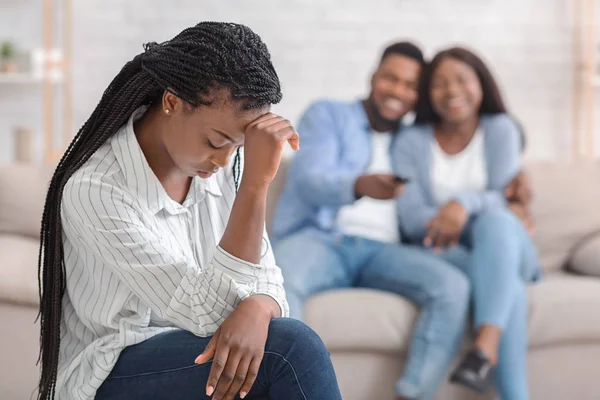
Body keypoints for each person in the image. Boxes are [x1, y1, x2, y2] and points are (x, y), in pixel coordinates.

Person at [36, 22, 343, 400]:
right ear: (172, 102)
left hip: (193, 352)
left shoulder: (216, 170)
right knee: (289, 349)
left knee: (267, 354)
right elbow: (205, 312)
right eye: (216, 141)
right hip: (112, 368)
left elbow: (269, 281)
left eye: (238, 147)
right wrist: (255, 185)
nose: (223, 159)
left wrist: (260, 307)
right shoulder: (96, 191)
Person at [394, 47, 542, 400]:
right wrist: (450, 218)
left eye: (461, 79)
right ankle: (491, 367)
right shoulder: (412, 141)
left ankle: (485, 345)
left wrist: (461, 205)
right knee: (510, 291)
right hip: (446, 252)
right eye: (439, 84)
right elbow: (410, 217)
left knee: (496, 221)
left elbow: (506, 203)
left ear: (481, 84)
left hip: (509, 246)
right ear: (428, 94)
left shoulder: (500, 129)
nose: (451, 91)